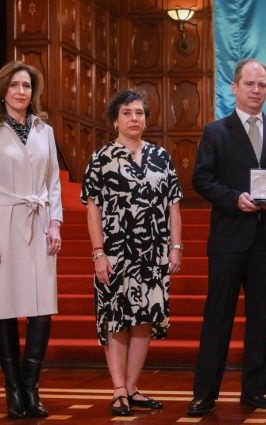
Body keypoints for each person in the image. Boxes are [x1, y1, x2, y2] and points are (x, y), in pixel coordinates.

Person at [188, 58, 266, 416]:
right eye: (250, 84)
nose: (256, 90)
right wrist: (232, 199)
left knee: (260, 319)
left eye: (262, 85)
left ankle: (255, 391)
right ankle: (204, 394)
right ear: (234, 87)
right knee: (217, 317)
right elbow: (201, 179)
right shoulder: (216, 132)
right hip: (228, 238)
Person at [81, 90, 183, 416]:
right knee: (116, 317)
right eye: (127, 113)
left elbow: (174, 207)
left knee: (144, 320)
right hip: (115, 252)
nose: (134, 118)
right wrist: (98, 252)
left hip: (153, 253)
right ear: (115, 119)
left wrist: (175, 248)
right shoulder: (101, 158)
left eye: (139, 113)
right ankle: (118, 389)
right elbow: (93, 208)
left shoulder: (161, 157)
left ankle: (134, 386)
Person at [0, 61, 62, 418]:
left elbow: (53, 181)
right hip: (3, 219)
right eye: (14, 86)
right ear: (2, 90)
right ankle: (12, 388)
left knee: (42, 307)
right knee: (4, 303)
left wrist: (55, 223)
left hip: (39, 220)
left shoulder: (45, 131)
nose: (21, 91)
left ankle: (31, 386)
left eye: (26, 86)